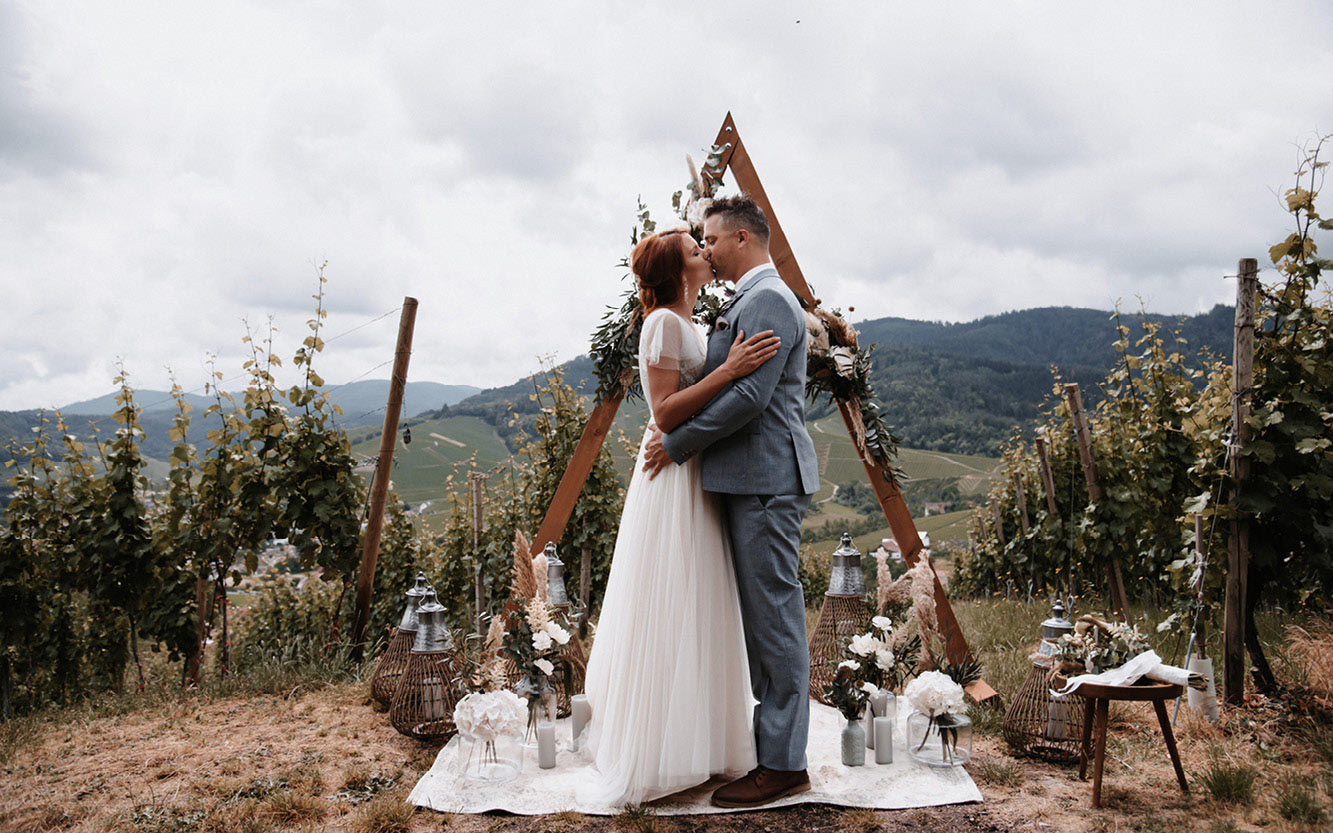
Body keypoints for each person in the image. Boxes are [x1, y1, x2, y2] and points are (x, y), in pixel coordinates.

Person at [580, 227, 782, 807]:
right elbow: (665, 413)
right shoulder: (663, 324)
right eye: (696, 252)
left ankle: (703, 742)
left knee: (700, 600)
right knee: (672, 600)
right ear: (676, 271)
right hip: (671, 475)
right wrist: (731, 370)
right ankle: (660, 748)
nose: (706, 255)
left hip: (694, 469)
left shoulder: (690, 324)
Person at [642, 194, 819, 808]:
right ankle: (771, 749)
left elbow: (750, 399)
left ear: (742, 238)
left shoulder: (768, 299)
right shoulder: (749, 299)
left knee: (775, 621)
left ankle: (782, 764)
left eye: (711, 241)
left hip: (766, 481)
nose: (707, 250)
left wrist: (678, 443)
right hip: (748, 480)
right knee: (762, 621)